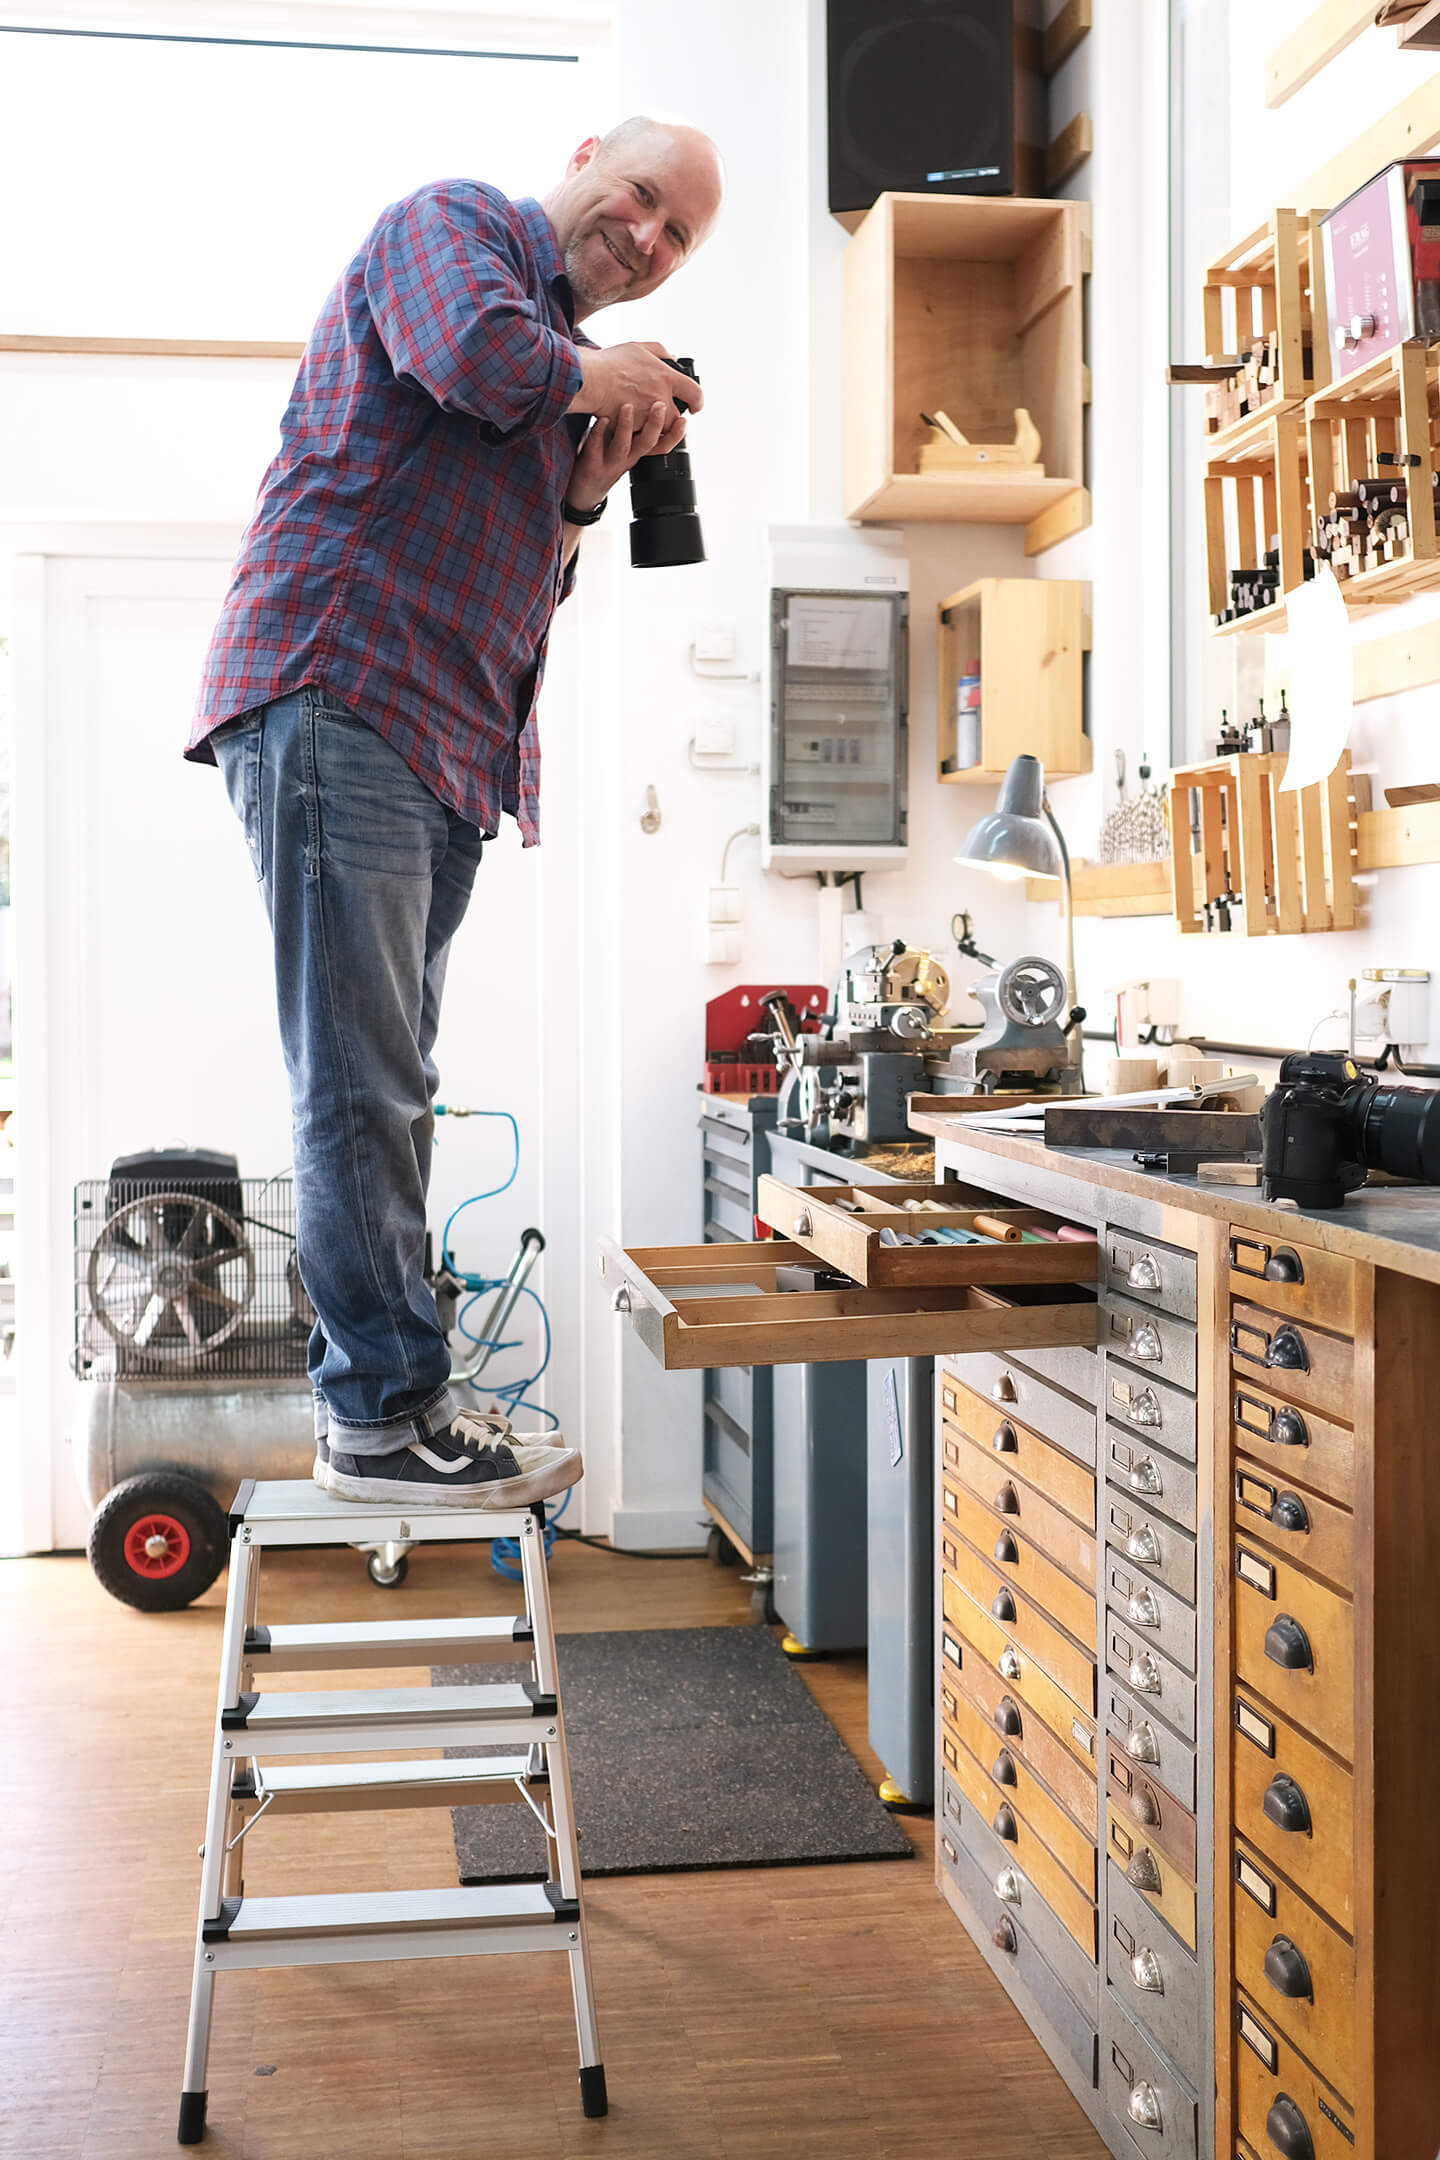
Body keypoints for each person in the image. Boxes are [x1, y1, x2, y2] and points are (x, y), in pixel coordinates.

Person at [187, 119, 725, 1508]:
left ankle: (389, 1386)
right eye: (645, 197)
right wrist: (605, 376)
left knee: (393, 1087)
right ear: (592, 153)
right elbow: (480, 359)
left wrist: (589, 491)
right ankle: (381, 1412)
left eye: (678, 240)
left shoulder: (554, 372)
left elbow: (522, 582)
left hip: (442, 744)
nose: (649, 239)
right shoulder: (458, 228)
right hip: (342, 686)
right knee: (362, 1082)